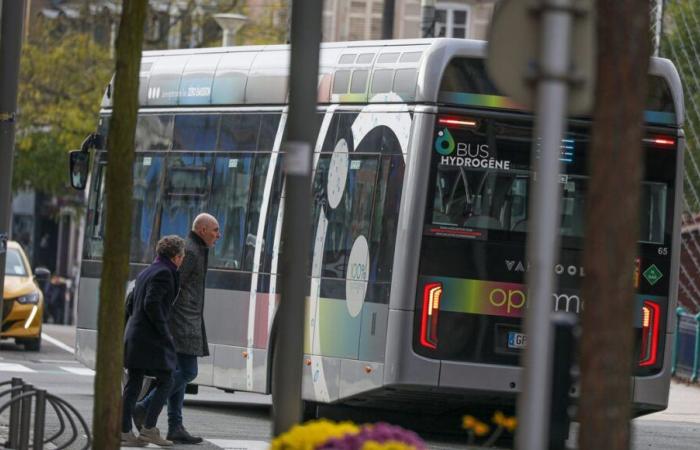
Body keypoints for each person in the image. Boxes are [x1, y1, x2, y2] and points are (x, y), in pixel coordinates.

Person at [135, 213, 220, 444]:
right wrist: (171, 319)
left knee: (180, 370)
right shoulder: (191, 251)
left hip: (187, 319)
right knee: (188, 371)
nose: (218, 235)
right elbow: (174, 283)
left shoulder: (196, 248)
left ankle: (175, 425)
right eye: (215, 230)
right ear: (202, 230)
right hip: (183, 322)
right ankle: (144, 406)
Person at [121, 235, 186, 447]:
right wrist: (164, 331)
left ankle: (123, 432)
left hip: (135, 334)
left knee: (133, 384)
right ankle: (149, 429)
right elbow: (152, 303)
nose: (182, 260)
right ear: (176, 257)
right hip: (150, 338)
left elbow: (131, 303)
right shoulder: (164, 274)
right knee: (167, 379)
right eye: (182, 256)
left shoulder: (147, 271)